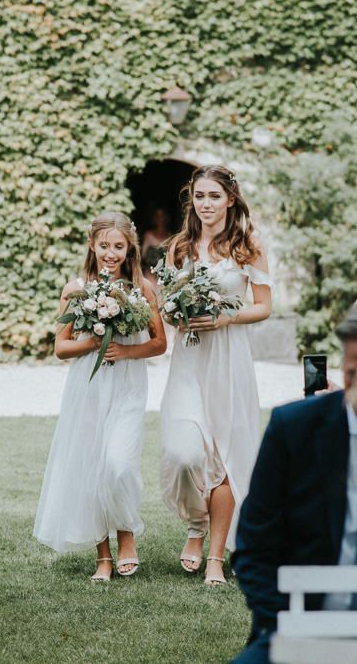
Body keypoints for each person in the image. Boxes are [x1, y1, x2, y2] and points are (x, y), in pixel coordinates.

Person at [33, 211, 167, 580]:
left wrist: (125, 351)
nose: (111, 253)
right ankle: (103, 556)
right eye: (104, 245)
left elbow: (159, 343)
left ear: (130, 249)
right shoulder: (76, 289)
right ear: (92, 245)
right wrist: (92, 342)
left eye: (118, 246)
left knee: (118, 465)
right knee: (92, 466)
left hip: (127, 386)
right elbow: (61, 348)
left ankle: (126, 534)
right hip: (88, 387)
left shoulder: (142, 289)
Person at [159, 165, 272, 585]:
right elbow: (167, 305)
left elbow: (263, 306)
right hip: (189, 362)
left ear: (230, 200)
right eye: (199, 196)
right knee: (185, 453)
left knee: (222, 456)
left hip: (229, 361)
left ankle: (215, 561)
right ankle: (196, 525)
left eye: (213, 196)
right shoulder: (180, 248)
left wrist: (224, 318)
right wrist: (176, 313)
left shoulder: (248, 246)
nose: (206, 204)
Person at [231, 308, 357, 663]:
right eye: (353, 373)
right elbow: (253, 547)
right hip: (299, 626)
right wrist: (284, 624)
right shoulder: (294, 428)